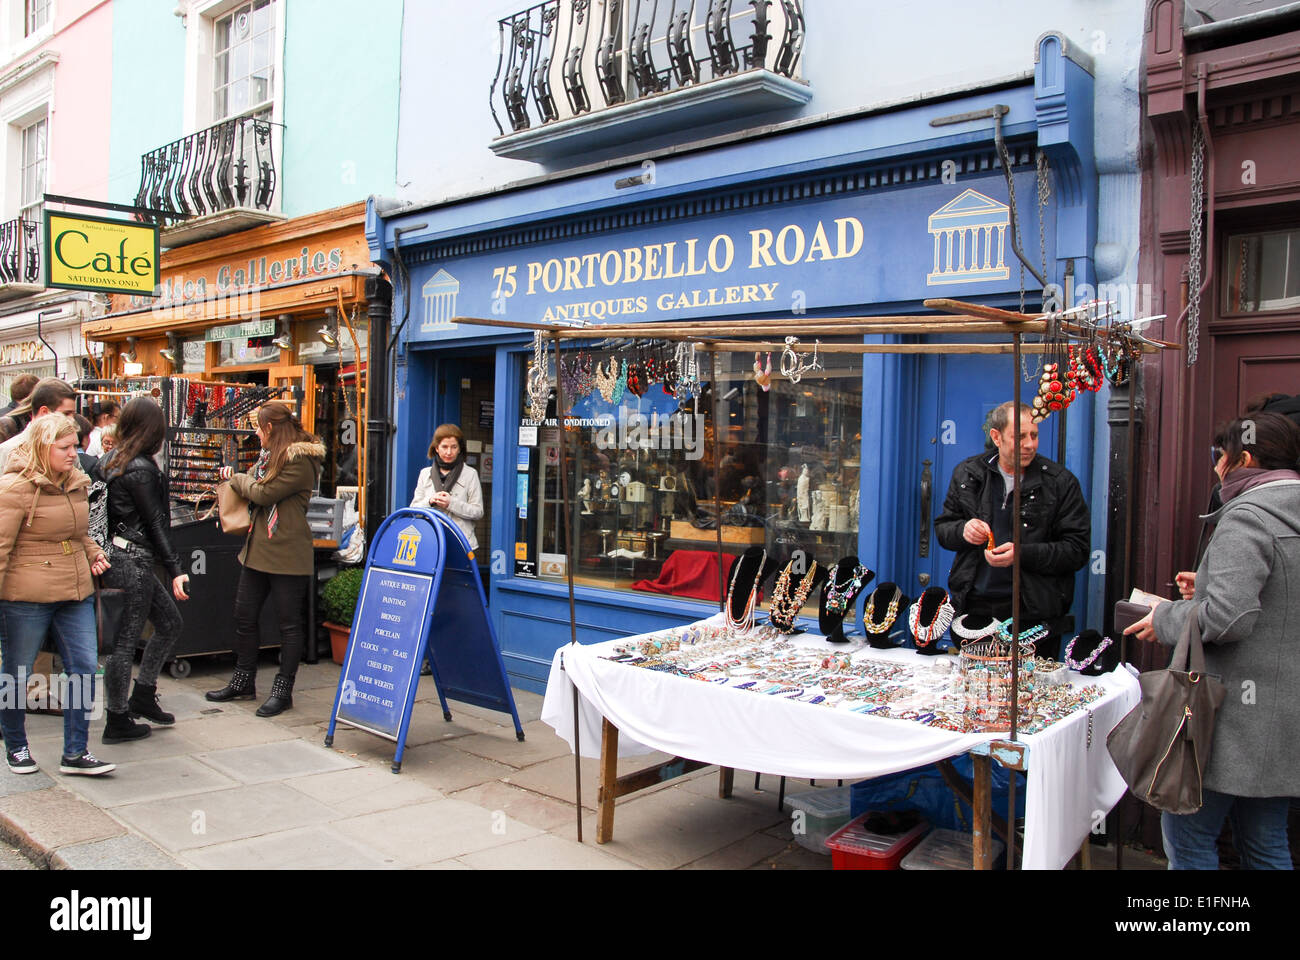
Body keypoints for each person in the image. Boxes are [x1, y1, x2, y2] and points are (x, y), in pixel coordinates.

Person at [1125, 413, 1300, 870]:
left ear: (1243, 459)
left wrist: (1165, 615)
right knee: (1266, 844)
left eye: (1218, 455)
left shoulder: (1248, 516)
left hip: (1231, 720)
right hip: (1284, 718)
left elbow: (1229, 619)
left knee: (1189, 839)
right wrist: (1206, 585)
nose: (1216, 466)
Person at [0, 414, 114, 775]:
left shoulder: (75, 482)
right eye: (64, 448)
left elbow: (77, 532)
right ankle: (16, 745)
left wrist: (94, 552)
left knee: (83, 666)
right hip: (26, 593)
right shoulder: (14, 489)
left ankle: (76, 752)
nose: (73, 453)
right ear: (42, 447)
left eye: (75, 446)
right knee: (17, 672)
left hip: (74, 588)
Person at [934, 401, 1090, 659]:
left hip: (1034, 614)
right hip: (976, 609)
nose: (1030, 444)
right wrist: (963, 530)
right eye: (1019, 437)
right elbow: (943, 529)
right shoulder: (968, 474)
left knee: (1030, 696)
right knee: (976, 693)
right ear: (996, 436)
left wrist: (1022, 554)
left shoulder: (1060, 482)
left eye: (1034, 435)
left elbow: (1077, 550)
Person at [206, 402, 324, 716]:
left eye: (258, 428)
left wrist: (239, 479)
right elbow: (258, 487)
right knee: (244, 616)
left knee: (289, 625)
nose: (255, 433)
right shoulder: (268, 456)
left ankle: (283, 691)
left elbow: (262, 494)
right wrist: (248, 479)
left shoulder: (301, 460)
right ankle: (243, 681)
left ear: (269, 428)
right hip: (258, 547)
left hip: (287, 550)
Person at [96, 398, 190, 743]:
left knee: (168, 624)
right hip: (132, 560)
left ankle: (141, 695)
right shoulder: (140, 468)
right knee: (124, 642)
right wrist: (176, 568)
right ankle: (117, 717)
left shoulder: (111, 461)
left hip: (120, 555)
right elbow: (155, 523)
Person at [410, 423, 483, 551]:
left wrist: (451, 503)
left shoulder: (470, 474)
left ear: (460, 448)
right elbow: (414, 510)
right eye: (444, 447)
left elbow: (478, 512)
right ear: (436, 448)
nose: (449, 452)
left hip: (462, 543)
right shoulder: (425, 473)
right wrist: (430, 501)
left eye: (454, 447)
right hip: (430, 542)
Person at [0, 377, 77, 475]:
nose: (72, 420)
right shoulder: (8, 451)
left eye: (73, 414)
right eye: (66, 414)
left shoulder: (70, 448)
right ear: (44, 412)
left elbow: (79, 484)